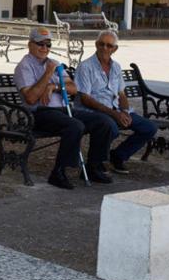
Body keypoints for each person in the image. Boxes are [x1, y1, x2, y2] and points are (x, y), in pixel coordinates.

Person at [12, 27, 114, 189]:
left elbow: (73, 88)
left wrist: (53, 87)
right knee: (75, 126)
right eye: (40, 44)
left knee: (103, 121)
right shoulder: (25, 66)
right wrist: (48, 74)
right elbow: (31, 98)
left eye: (48, 44)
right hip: (39, 113)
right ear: (30, 44)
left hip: (62, 110)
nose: (44, 48)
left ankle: (93, 167)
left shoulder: (54, 63)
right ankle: (58, 172)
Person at [74, 30, 157, 174]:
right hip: (94, 111)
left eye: (109, 45)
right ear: (96, 44)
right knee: (110, 127)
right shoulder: (85, 66)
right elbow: (85, 99)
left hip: (115, 111)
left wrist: (124, 111)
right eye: (101, 44)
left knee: (149, 128)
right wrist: (114, 114)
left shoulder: (116, 67)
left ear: (115, 49)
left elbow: (121, 94)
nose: (104, 48)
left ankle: (118, 156)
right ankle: (95, 164)